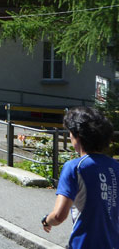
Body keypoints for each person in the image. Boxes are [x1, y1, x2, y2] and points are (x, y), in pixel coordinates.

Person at [41, 106, 118, 248]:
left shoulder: (75, 167)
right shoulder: (115, 166)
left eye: (70, 133)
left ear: (78, 136)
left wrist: (46, 220)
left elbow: (59, 215)